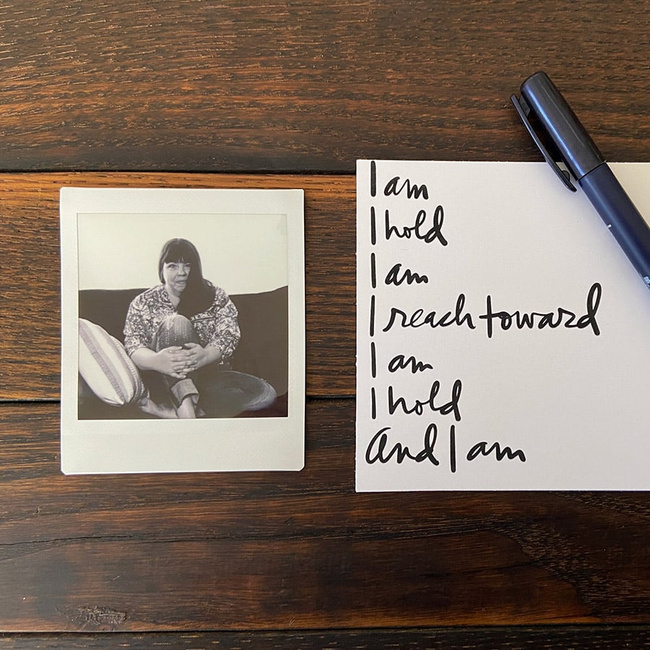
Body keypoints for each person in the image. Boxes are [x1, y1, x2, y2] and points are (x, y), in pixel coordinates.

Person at [123, 238, 275, 418]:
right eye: (172, 266)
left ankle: (170, 412)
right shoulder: (143, 302)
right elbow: (133, 345)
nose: (182, 272)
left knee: (265, 395)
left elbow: (228, 334)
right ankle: (187, 411)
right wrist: (157, 360)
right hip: (163, 380)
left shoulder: (215, 296)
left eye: (187, 265)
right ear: (162, 270)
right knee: (177, 323)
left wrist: (205, 355)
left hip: (208, 377)